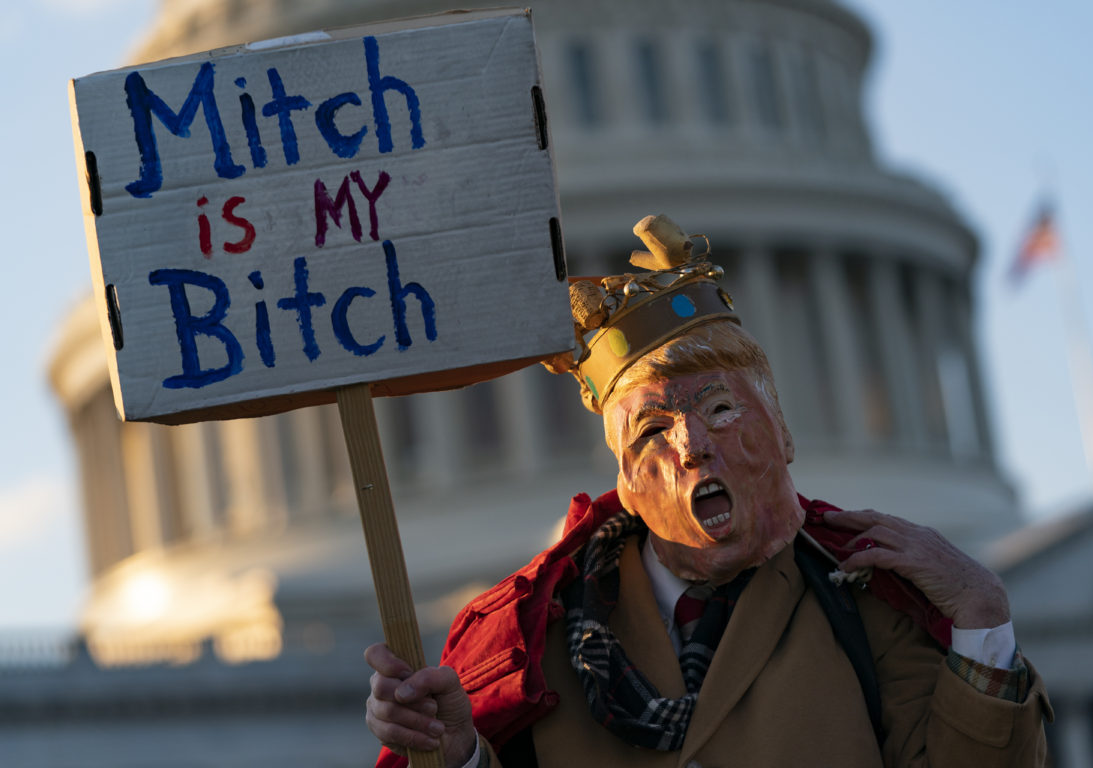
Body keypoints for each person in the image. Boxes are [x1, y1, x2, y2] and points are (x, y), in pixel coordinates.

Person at [364, 216, 1053, 767]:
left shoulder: (871, 603)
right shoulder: (535, 640)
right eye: (653, 432)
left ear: (782, 431)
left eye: (721, 409)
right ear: (627, 484)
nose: (691, 445)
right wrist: (457, 759)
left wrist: (984, 620)